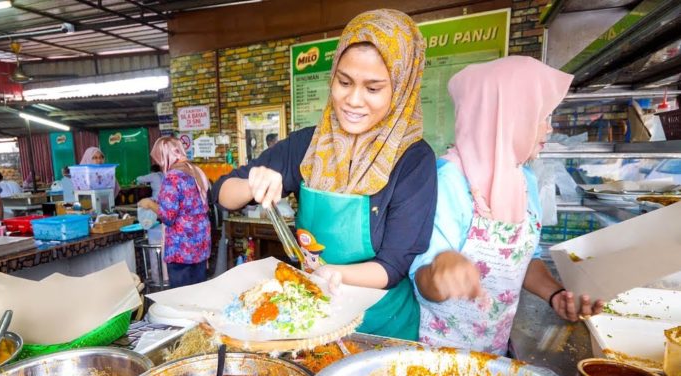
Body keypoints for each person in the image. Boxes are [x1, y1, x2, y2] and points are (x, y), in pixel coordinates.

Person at [214, 9, 436, 340]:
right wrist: (252, 183)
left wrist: (328, 274)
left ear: (401, 89)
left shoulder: (413, 161)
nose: (353, 100)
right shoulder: (308, 144)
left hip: (381, 329)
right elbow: (223, 193)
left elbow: (392, 267)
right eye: (344, 82)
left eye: (373, 88)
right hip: (312, 321)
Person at [408, 56, 604, 355]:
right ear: (507, 117)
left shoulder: (523, 178)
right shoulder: (450, 180)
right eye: (542, 117)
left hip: (493, 350)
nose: (549, 129)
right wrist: (439, 270)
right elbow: (424, 278)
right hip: (436, 355)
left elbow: (524, 260)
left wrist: (556, 295)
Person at [138, 137, 211, 288]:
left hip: (181, 249)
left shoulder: (173, 177)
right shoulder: (196, 171)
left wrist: (150, 204)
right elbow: (190, 205)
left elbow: (168, 217)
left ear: (166, 156)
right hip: (201, 244)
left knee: (181, 300)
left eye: (159, 158)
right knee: (199, 293)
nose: (159, 163)